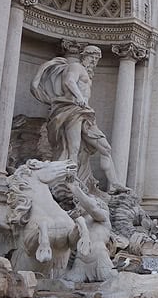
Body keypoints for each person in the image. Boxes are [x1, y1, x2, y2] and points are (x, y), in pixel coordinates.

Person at [30, 45, 127, 193]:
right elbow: (69, 81)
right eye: (92, 58)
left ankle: (114, 184)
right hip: (73, 110)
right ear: (85, 56)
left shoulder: (87, 74)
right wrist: (80, 98)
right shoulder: (76, 66)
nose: (94, 62)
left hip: (85, 113)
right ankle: (70, 183)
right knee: (73, 148)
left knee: (105, 148)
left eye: (96, 59)